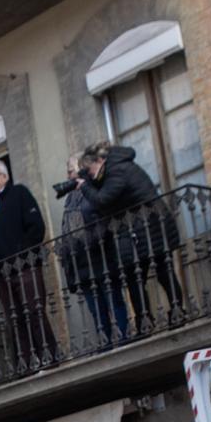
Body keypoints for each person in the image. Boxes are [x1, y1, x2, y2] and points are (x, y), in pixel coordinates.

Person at [77, 142, 182, 331]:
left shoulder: (118, 170)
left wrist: (85, 187)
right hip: (142, 226)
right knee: (143, 275)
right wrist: (89, 180)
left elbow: (104, 200)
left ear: (100, 160)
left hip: (149, 226)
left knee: (157, 272)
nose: (90, 174)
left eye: (90, 169)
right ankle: (152, 319)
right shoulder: (117, 167)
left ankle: (171, 314)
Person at [0, 159, 55, 370]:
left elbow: (36, 228)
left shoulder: (19, 194)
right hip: (1, 274)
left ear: (4, 177)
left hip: (24, 267)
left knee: (34, 312)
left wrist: (19, 254)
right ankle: (28, 365)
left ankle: (51, 358)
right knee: (15, 320)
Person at [54, 152, 127, 346]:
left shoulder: (95, 186)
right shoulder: (70, 198)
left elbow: (105, 219)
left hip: (101, 257)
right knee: (97, 311)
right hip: (83, 264)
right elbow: (68, 228)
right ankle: (106, 344)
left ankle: (124, 338)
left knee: (114, 302)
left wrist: (87, 240)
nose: (68, 176)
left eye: (71, 171)